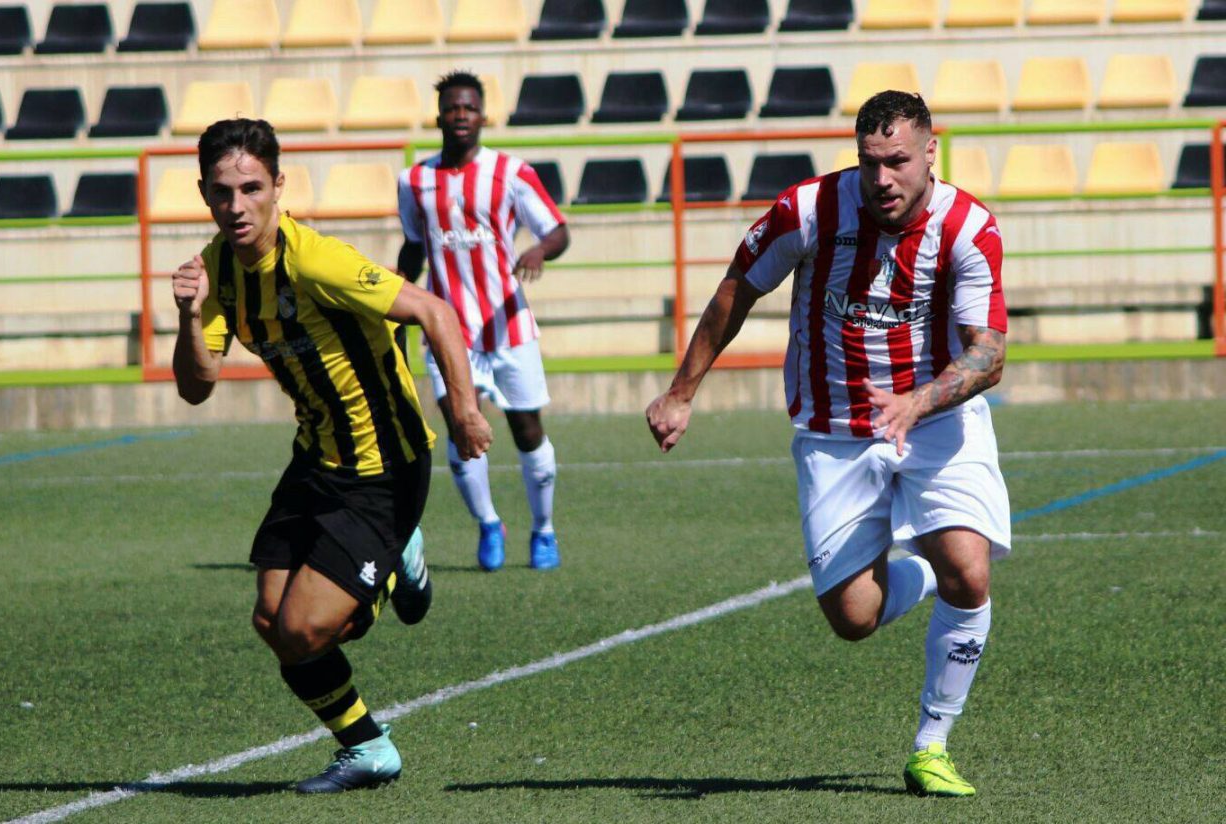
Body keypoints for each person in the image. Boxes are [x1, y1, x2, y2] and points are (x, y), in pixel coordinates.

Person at [646, 91, 1010, 798]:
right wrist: (682, 390)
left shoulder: (969, 227)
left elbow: (988, 355)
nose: (882, 179)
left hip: (935, 420)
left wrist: (917, 401)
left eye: (898, 161)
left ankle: (931, 743)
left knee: (970, 568)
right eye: (870, 162)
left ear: (930, 150)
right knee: (854, 619)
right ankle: (923, 571)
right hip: (832, 432)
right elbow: (737, 289)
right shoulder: (807, 210)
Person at [172, 118, 492, 793]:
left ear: (278, 186)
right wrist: (188, 317)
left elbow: (434, 312)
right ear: (204, 193)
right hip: (316, 458)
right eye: (223, 192)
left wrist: (462, 410)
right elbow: (198, 387)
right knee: (271, 622)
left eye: (251, 188)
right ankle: (369, 750)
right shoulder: (220, 271)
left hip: (385, 466)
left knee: (307, 627)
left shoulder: (318, 261)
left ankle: (397, 563)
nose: (237, 206)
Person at [396, 70, 571, 572]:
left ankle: (544, 530)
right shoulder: (415, 181)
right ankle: (489, 524)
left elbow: (558, 230)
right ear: (439, 117)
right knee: (460, 430)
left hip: (508, 328)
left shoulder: (511, 173)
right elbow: (413, 247)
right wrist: (397, 301)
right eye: (452, 108)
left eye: (469, 108)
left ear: (483, 115)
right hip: (449, 332)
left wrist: (539, 249)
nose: (460, 116)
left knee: (526, 428)